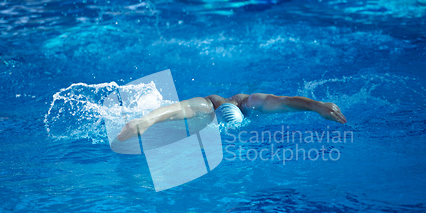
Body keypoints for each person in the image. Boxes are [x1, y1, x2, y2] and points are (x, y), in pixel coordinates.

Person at [116, 93, 347, 142]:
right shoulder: (247, 104)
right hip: (227, 108)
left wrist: (317, 106)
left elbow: (283, 101)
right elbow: (283, 101)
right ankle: (145, 121)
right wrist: (316, 105)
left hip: (224, 106)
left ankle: (145, 120)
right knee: (194, 108)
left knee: (188, 108)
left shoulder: (248, 103)